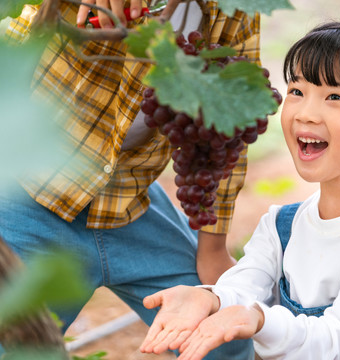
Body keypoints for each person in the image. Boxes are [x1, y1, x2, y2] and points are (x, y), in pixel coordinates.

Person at [138, 18, 340, 360]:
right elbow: (243, 285)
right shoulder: (281, 225)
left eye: (334, 96)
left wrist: (259, 319)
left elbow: (337, 340)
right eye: (297, 91)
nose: (305, 113)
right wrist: (209, 298)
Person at [0, 0, 259, 359]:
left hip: (130, 197)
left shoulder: (236, 10)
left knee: (222, 341)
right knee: (17, 347)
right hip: (30, 191)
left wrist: (212, 248)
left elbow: (232, 126)